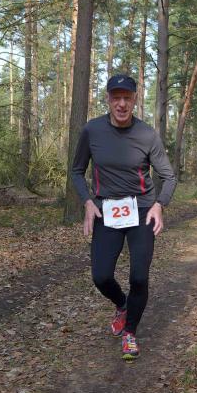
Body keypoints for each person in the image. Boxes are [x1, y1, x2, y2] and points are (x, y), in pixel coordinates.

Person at [70, 74, 177, 360]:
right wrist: (87, 202)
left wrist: (159, 205)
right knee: (101, 276)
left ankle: (130, 332)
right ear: (108, 99)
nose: (121, 104)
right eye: (116, 98)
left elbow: (168, 176)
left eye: (127, 98)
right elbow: (77, 171)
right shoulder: (92, 130)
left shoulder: (147, 135)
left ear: (135, 100)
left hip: (141, 210)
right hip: (106, 210)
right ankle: (122, 304)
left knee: (139, 277)